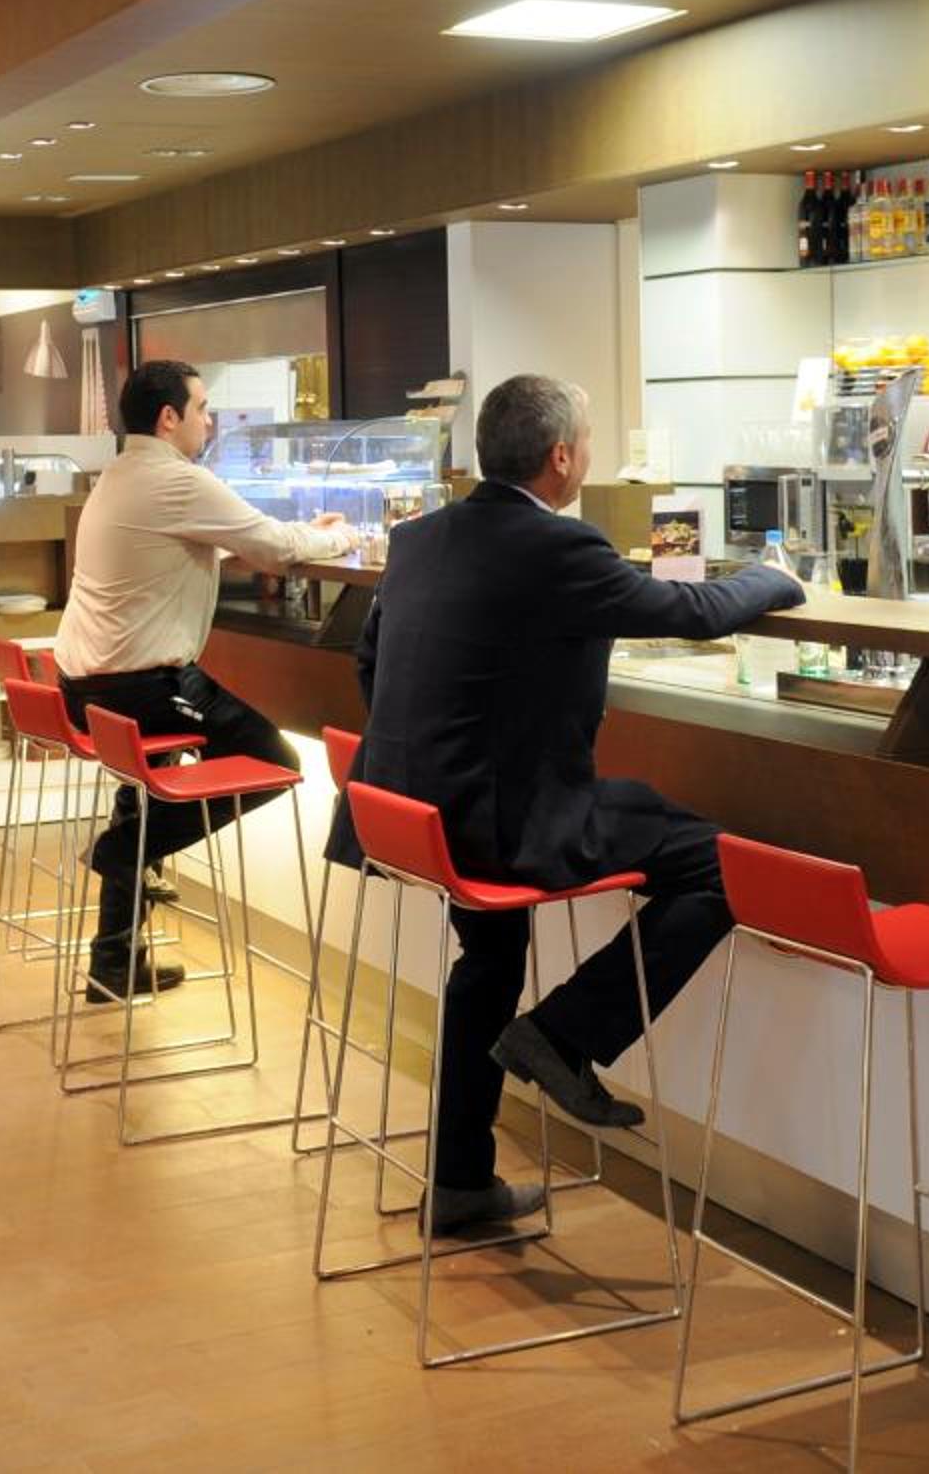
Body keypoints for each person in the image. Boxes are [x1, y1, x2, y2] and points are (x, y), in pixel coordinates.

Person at [343, 374, 800, 1234]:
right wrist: (774, 578)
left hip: (405, 815)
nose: (588, 454)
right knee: (719, 865)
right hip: (497, 825)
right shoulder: (558, 546)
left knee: (489, 957)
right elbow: (695, 610)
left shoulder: (420, 538)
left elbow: (371, 663)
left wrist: (450, 753)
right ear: (561, 457)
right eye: (587, 441)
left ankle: (460, 1183)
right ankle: (564, 1034)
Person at [53, 360, 355, 1001]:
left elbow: (210, 541)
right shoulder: (175, 479)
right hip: (141, 688)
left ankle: (113, 962)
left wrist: (287, 537)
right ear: (170, 418)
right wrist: (340, 536)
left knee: (144, 793)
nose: (210, 422)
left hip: (85, 689)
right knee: (272, 759)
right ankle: (123, 851)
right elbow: (276, 547)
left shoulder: (121, 474)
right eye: (203, 409)